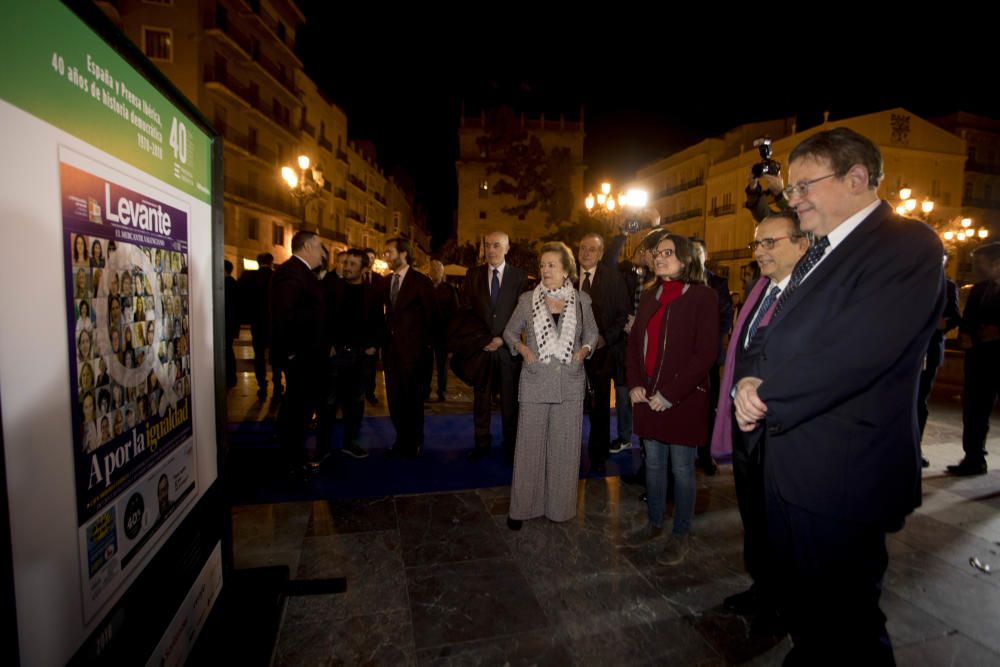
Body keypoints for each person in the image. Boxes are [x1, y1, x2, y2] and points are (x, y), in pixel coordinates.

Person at [732, 127, 943, 663]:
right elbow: (790, 334)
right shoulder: (822, 250)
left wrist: (765, 394)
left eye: (805, 186)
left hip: (843, 475)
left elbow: (859, 351)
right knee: (812, 619)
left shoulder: (907, 243)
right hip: (795, 465)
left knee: (847, 629)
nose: (792, 197)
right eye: (792, 188)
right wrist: (753, 378)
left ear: (856, 178)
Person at [711, 213, 808, 625]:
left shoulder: (806, 296)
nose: (760, 252)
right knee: (753, 511)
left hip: (781, 428)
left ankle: (786, 598)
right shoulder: (758, 290)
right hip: (747, 424)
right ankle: (763, 586)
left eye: (771, 242)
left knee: (780, 516)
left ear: (802, 244)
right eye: (757, 244)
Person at [622, 234, 718, 566]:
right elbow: (634, 345)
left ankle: (680, 534)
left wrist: (670, 394)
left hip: (683, 400)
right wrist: (635, 384)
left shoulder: (703, 297)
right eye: (658, 253)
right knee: (652, 463)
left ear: (687, 258)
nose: (660, 258)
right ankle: (653, 523)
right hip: (648, 398)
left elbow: (705, 354)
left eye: (669, 253)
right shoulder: (649, 296)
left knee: (682, 468)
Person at [503, 241, 597, 530]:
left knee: (565, 449)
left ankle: (559, 509)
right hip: (534, 382)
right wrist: (522, 349)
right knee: (529, 447)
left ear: (566, 270)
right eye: (542, 265)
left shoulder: (581, 301)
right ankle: (522, 508)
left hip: (569, 383)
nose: (545, 270)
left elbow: (593, 334)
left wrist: (584, 351)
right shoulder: (527, 299)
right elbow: (508, 332)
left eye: (551, 265)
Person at [461, 231, 527, 463]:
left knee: (510, 402)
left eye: (497, 246)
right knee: (481, 400)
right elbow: (466, 311)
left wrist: (502, 338)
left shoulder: (519, 277)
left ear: (507, 248)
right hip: (482, 350)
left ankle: (511, 447)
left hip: (508, 350)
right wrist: (482, 340)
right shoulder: (473, 275)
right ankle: (481, 444)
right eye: (487, 245)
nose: (491, 250)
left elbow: (522, 314)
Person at [317, 248, 385, 461]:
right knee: (327, 403)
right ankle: (323, 447)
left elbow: (379, 321)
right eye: (346, 263)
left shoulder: (372, 292)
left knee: (355, 403)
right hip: (335, 356)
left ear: (365, 269)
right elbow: (320, 318)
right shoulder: (331, 287)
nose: (347, 268)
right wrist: (326, 345)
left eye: (353, 264)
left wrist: (374, 346)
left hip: (361, 357)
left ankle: (350, 443)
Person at [270, 231, 327, 476]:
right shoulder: (292, 273)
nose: (323, 253)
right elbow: (285, 315)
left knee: (300, 407)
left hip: (307, 355)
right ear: (307, 247)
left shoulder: (302, 273)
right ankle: (291, 460)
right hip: (301, 357)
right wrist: (291, 352)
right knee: (297, 409)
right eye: (320, 247)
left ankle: (294, 455)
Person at [577, 233, 631, 475]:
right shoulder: (567, 276)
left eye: (592, 249)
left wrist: (604, 338)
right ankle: (567, 451)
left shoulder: (613, 279)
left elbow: (623, 315)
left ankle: (597, 455)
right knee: (572, 405)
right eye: (583, 248)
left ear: (600, 254)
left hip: (602, 354)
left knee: (598, 408)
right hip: (571, 355)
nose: (586, 253)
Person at [948, 241, 1000, 476]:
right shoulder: (979, 290)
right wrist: (966, 335)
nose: (974, 266)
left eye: (979, 262)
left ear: (996, 264)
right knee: (974, 412)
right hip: (979, 362)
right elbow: (966, 320)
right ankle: (974, 458)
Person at [382, 237, 436, 457]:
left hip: (414, 354)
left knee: (412, 400)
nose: (386, 256)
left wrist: (426, 351)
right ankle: (401, 438)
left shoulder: (421, 282)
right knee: (394, 399)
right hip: (391, 353)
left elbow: (432, 318)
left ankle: (414, 440)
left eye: (389, 252)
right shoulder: (386, 282)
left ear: (403, 254)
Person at [689, 237, 734, 475]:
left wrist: (706, 342)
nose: (695, 256)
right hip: (684, 358)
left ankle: (705, 455)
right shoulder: (680, 282)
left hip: (709, 358)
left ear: (706, 254)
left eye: (699, 251)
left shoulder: (718, 282)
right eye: (691, 251)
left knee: (709, 407)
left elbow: (725, 316)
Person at [917, 257, 960, 467]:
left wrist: (936, 321)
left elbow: (953, 318)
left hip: (930, 349)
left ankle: (916, 448)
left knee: (919, 401)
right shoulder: (912, 281)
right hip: (907, 351)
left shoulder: (948, 286)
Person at [238, 253, 279, 399]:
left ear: (258, 262)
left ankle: (262, 384)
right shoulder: (276, 277)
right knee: (276, 355)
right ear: (271, 261)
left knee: (259, 355)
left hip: (257, 321)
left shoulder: (249, 277)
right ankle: (277, 384)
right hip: (274, 322)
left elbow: (241, 295)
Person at [426, 259, 459, 402]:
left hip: (443, 334)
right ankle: (425, 391)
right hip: (426, 334)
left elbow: (455, 313)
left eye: (437, 269)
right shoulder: (424, 287)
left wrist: (452, 335)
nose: (435, 272)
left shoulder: (449, 289)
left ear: (442, 272)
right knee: (425, 364)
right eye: (432, 269)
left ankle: (442, 391)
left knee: (442, 365)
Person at [224, 259, 238, 388]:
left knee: (227, 350)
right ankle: (231, 376)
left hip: (226, 322)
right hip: (232, 322)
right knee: (229, 349)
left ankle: (230, 377)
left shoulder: (224, 284)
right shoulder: (234, 283)